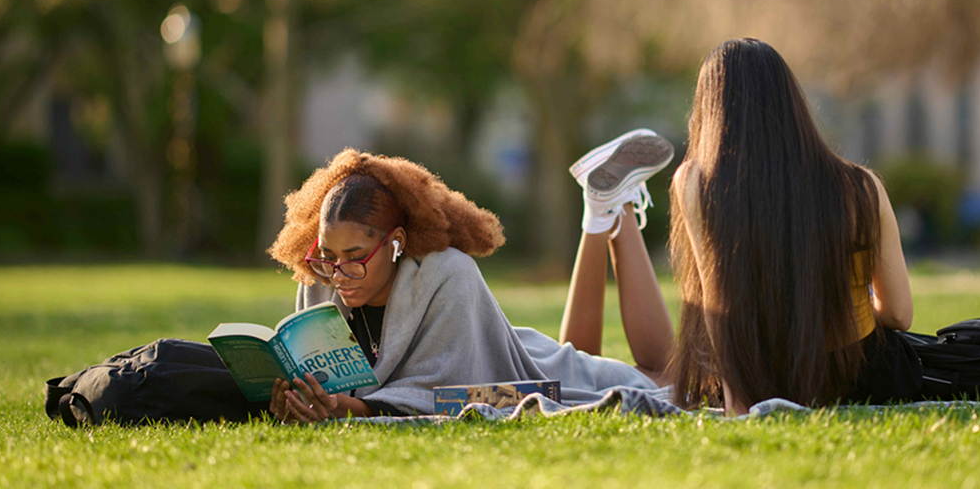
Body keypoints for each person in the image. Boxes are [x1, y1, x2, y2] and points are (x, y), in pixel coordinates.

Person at [264, 134, 677, 423]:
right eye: (328, 257)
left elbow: (441, 397)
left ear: (396, 243)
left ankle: (609, 211)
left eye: (355, 258)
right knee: (583, 357)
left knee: (670, 379)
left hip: (515, 368)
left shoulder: (448, 273)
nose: (339, 274)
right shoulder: (318, 278)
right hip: (520, 357)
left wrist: (340, 409)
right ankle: (603, 205)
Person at [668, 38, 921, 415]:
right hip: (861, 377)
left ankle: (608, 213)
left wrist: (739, 405)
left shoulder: (695, 183)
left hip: (762, 378)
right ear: (791, 103)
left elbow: (717, 309)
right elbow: (899, 314)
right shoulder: (862, 188)